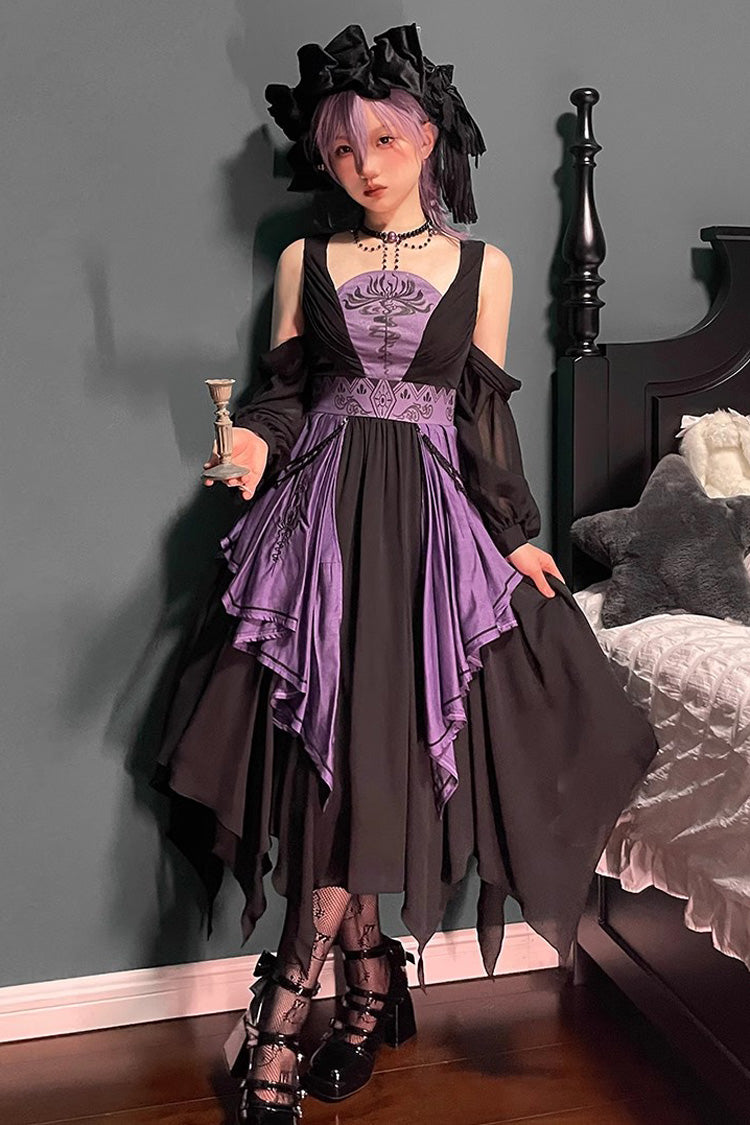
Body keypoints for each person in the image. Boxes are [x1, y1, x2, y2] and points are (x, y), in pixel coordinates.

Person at [150, 22, 659, 1124]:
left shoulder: (484, 268)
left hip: (427, 531)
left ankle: (290, 1009)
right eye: (341, 149)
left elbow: (481, 420)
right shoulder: (306, 261)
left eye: (384, 139)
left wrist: (516, 532)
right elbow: (282, 399)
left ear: (430, 137)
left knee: (379, 754)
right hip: (320, 524)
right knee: (326, 757)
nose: (363, 164)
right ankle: (369, 982)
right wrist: (251, 451)